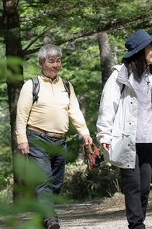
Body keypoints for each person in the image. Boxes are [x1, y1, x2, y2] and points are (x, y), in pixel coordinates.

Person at [96, 30, 152, 229]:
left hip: (149, 138)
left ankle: (138, 220)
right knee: (132, 185)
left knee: (144, 186)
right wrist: (104, 134)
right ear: (140, 51)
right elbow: (108, 106)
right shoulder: (120, 75)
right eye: (151, 47)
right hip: (126, 138)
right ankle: (136, 224)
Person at [15, 44, 93, 229]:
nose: (55, 65)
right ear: (41, 62)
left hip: (60, 140)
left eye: (58, 61)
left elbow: (74, 110)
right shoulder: (31, 85)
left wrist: (85, 133)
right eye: (51, 61)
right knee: (44, 180)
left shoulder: (66, 85)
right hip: (36, 138)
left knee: (55, 184)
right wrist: (22, 140)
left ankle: (43, 214)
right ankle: (51, 219)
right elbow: (21, 114)